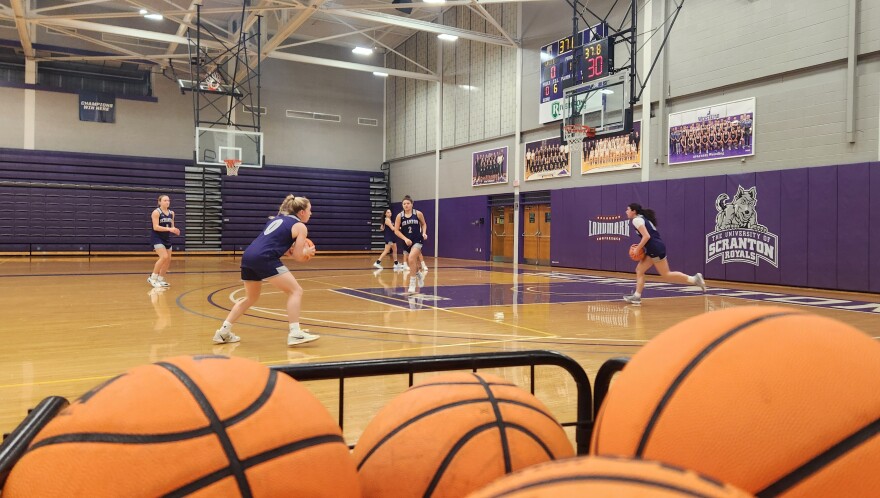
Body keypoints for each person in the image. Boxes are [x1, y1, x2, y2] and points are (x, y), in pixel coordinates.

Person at [213, 195, 319, 346]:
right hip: (264, 258)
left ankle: (223, 332)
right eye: (310, 210)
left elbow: (277, 245)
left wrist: (290, 251)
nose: (311, 213)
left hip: (249, 256)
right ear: (302, 212)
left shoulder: (276, 220)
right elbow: (297, 257)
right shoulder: (301, 226)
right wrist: (306, 253)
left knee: (250, 298)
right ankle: (295, 333)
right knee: (296, 291)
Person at [623, 203, 706, 305]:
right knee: (639, 270)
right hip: (654, 247)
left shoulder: (636, 220)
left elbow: (646, 236)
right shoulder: (642, 218)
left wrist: (637, 249)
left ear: (634, 211)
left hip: (655, 249)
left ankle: (694, 279)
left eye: (628, 209)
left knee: (666, 274)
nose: (626, 211)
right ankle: (636, 296)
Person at [393, 195, 428, 293]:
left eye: (408, 203)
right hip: (407, 241)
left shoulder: (418, 213)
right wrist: (404, 239)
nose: (406, 205)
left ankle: (412, 283)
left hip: (417, 239)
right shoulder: (400, 216)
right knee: (411, 262)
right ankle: (419, 274)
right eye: (404, 204)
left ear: (412, 204)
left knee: (411, 258)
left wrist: (424, 233)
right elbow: (396, 230)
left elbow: (424, 224)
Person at [148, 194, 180, 288]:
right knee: (164, 257)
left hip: (166, 238)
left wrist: (174, 229)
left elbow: (172, 225)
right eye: (165, 200)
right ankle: (152, 278)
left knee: (168, 260)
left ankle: (160, 279)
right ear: (159, 202)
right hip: (157, 237)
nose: (167, 202)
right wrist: (169, 229)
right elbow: (156, 227)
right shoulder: (156, 212)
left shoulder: (172, 213)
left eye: (168, 200)